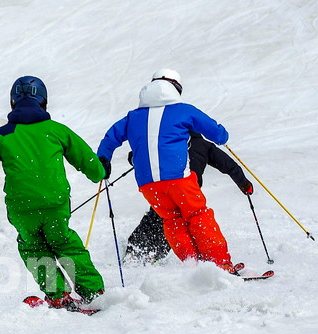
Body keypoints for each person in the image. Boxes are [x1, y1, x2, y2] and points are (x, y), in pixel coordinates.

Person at [0, 76, 107, 309]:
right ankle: (93, 291)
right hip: (54, 202)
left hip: (22, 206)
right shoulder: (56, 131)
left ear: (13, 103)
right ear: (44, 102)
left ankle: (57, 293)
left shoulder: (1, 136)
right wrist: (99, 171)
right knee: (65, 243)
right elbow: (88, 161)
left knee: (33, 246)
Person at [97, 69, 237, 271]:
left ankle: (193, 265)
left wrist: (104, 159)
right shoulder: (183, 110)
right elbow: (218, 135)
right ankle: (219, 264)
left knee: (172, 220)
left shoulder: (132, 117)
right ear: (176, 89)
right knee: (198, 215)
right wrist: (222, 134)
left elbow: (111, 138)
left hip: (147, 184)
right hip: (179, 180)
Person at [125, 133, 253, 262]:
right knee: (195, 222)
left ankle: (138, 250)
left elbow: (138, 155)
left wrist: (133, 159)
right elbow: (229, 165)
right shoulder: (204, 145)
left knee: (164, 218)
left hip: (163, 188)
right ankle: (202, 258)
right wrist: (244, 184)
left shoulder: (166, 140)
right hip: (189, 192)